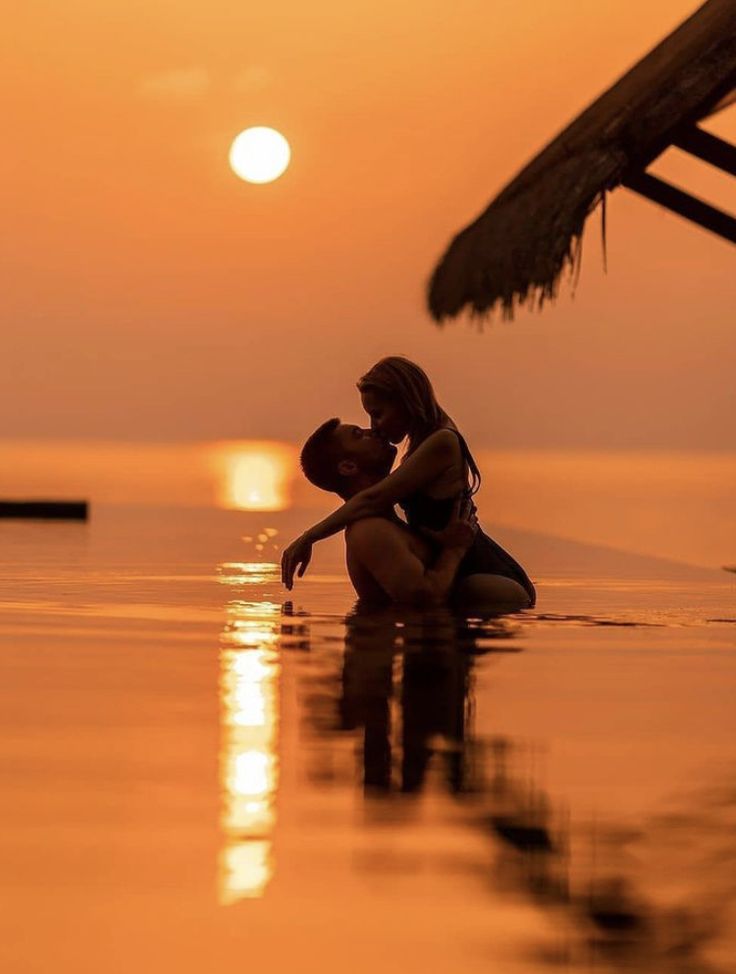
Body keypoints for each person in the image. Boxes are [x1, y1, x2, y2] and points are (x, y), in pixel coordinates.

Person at [282, 356, 535, 608]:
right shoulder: (420, 444)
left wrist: (309, 537)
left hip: (492, 576)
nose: (375, 427)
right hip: (469, 568)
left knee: (447, 600)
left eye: (378, 414)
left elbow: (373, 498)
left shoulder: (442, 441)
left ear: (404, 402)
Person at [296, 416, 530, 610]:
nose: (374, 430)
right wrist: (454, 550)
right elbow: (425, 599)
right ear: (348, 466)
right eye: (359, 434)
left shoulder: (392, 522)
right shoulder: (370, 530)